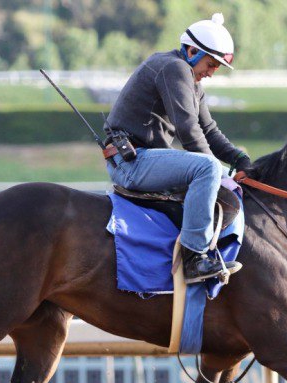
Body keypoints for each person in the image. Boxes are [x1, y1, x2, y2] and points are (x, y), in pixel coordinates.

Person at [104, 13, 250, 284]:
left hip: (146, 158)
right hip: (132, 163)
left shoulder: (193, 82)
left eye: (217, 67)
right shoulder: (174, 67)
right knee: (206, 167)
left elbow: (209, 131)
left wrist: (239, 158)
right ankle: (194, 257)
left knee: (210, 166)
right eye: (210, 64)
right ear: (192, 51)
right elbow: (189, 132)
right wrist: (218, 173)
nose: (211, 72)